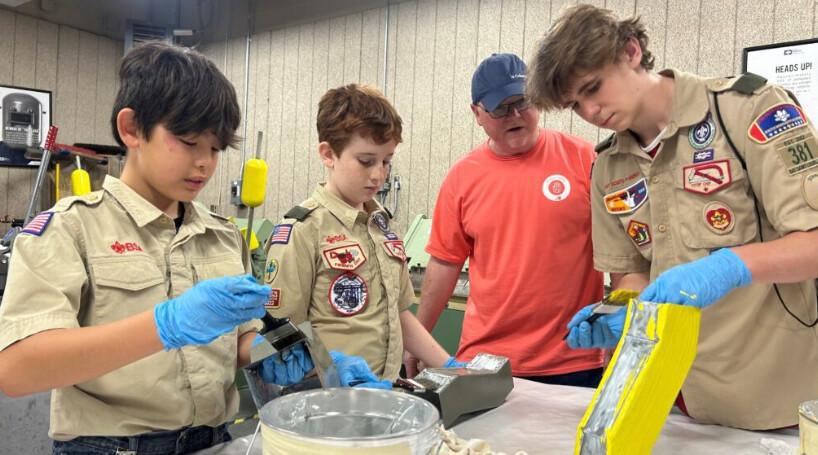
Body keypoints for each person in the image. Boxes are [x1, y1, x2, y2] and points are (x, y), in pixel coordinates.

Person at [0, 42, 377, 454]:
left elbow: (239, 344)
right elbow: (18, 368)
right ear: (131, 129)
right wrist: (165, 325)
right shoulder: (70, 229)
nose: (205, 162)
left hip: (213, 440)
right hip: (112, 446)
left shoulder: (223, 235)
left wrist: (299, 355)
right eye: (187, 141)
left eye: (215, 148)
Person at [528, 4, 818, 430]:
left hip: (774, 400)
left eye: (593, 88)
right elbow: (631, 274)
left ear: (630, 51)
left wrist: (730, 266)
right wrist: (621, 313)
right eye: (575, 105)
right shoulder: (609, 166)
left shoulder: (746, 110)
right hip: (676, 403)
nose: (590, 112)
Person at [409, 53, 606, 387]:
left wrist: (622, 340)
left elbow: (620, 253)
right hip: (486, 361)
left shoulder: (584, 159)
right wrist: (419, 337)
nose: (515, 115)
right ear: (477, 113)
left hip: (574, 359)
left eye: (524, 102)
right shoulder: (463, 177)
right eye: (501, 107)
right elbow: (444, 265)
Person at [263, 83, 463, 383]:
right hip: (327, 406)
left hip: (383, 396)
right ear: (328, 154)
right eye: (366, 161)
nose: (378, 175)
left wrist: (449, 366)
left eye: (386, 161)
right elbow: (281, 339)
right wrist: (331, 376)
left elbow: (398, 314)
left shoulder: (382, 225)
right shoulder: (303, 230)